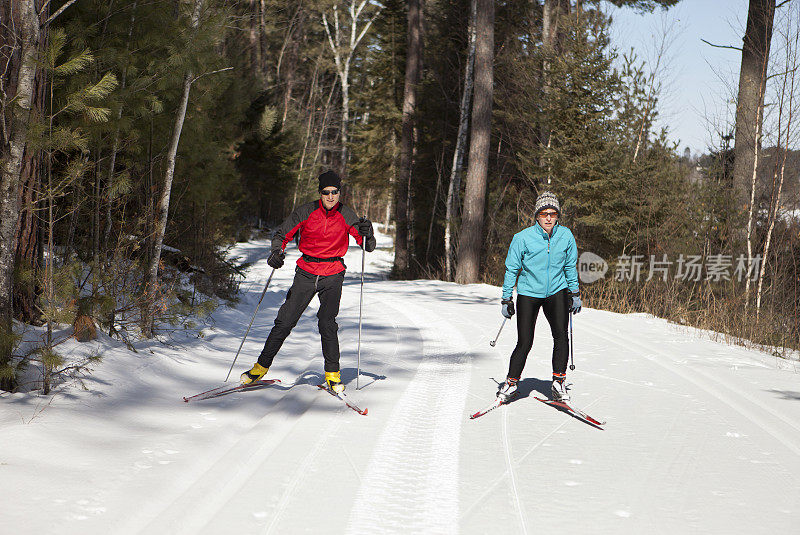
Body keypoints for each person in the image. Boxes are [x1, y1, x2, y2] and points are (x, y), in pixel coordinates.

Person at [240, 170, 377, 392]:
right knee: (284, 322)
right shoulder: (305, 212)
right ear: (320, 193)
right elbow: (281, 235)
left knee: (327, 322)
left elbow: (367, 246)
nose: (331, 197)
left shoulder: (347, 215)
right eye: (326, 192)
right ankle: (259, 368)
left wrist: (368, 233)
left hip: (332, 273)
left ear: (339, 193)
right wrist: (276, 252)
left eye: (335, 192)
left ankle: (333, 375)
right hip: (306, 271)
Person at [496, 191, 582, 402]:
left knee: (561, 336)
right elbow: (511, 269)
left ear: (558, 215)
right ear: (537, 215)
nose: (549, 218)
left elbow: (570, 266)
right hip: (528, 293)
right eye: (544, 213)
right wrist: (507, 298)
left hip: (557, 291)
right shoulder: (522, 238)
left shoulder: (566, 236)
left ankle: (558, 382)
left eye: (553, 213)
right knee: (525, 341)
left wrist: (575, 292)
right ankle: (511, 383)